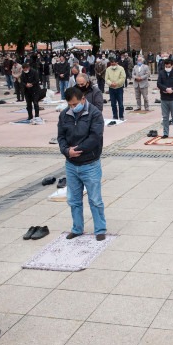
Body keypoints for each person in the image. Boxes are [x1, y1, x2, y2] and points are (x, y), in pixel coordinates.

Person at [57, 87, 106, 240]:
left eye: (75, 104)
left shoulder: (95, 114)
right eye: (70, 105)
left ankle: (100, 229)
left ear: (83, 99)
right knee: (74, 200)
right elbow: (61, 137)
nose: (73, 107)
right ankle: (77, 228)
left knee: (95, 200)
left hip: (90, 163)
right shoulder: (64, 115)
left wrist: (77, 149)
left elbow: (95, 137)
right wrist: (66, 151)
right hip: (71, 165)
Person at [157, 58, 173, 139]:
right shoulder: (161, 73)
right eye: (166, 66)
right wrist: (165, 89)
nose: (167, 67)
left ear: (172, 66)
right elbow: (159, 84)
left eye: (168, 66)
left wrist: (172, 89)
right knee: (165, 117)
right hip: (164, 98)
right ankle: (165, 133)